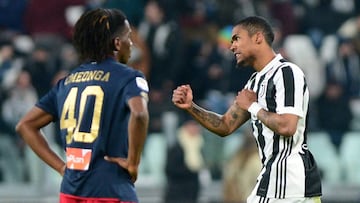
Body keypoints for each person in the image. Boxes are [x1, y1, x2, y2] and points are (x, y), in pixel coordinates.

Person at [172, 16, 322, 203]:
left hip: (291, 186)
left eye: (237, 39)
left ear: (258, 38)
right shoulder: (254, 82)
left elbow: (287, 127)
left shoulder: (287, 73)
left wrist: (252, 106)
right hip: (271, 182)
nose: (231, 46)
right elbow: (225, 125)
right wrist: (191, 108)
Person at [16, 8, 149, 203]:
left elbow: (25, 125)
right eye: (128, 37)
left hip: (71, 191)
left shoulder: (67, 82)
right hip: (111, 189)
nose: (132, 43)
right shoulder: (129, 76)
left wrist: (62, 167)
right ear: (117, 43)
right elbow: (139, 114)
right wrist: (133, 162)